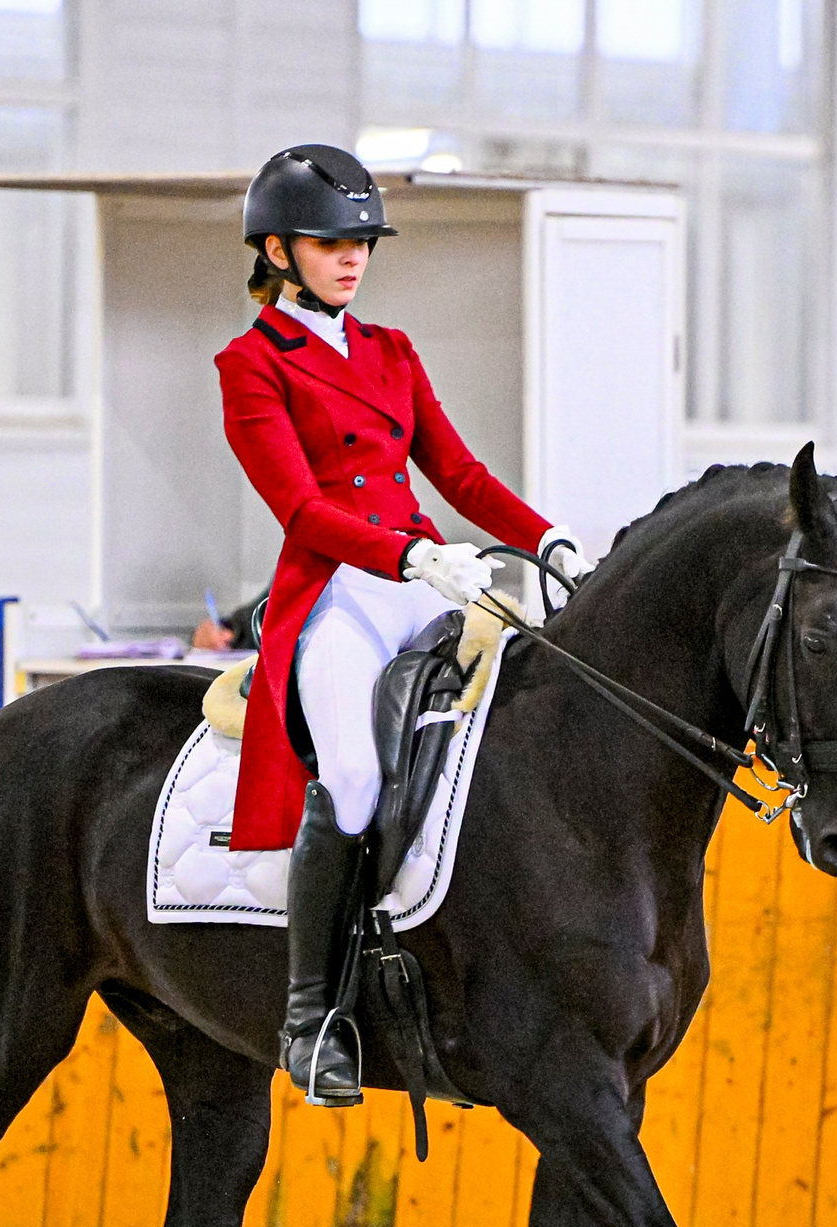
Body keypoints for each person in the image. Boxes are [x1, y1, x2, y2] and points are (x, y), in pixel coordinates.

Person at [216, 144, 591, 1107]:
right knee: (348, 778)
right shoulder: (251, 365)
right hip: (341, 591)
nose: (351, 259)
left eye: (361, 244)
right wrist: (412, 556)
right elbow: (299, 509)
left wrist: (544, 538)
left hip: (428, 579)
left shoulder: (391, 352)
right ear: (276, 248)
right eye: (329, 243)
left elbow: (456, 475)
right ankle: (311, 1021)